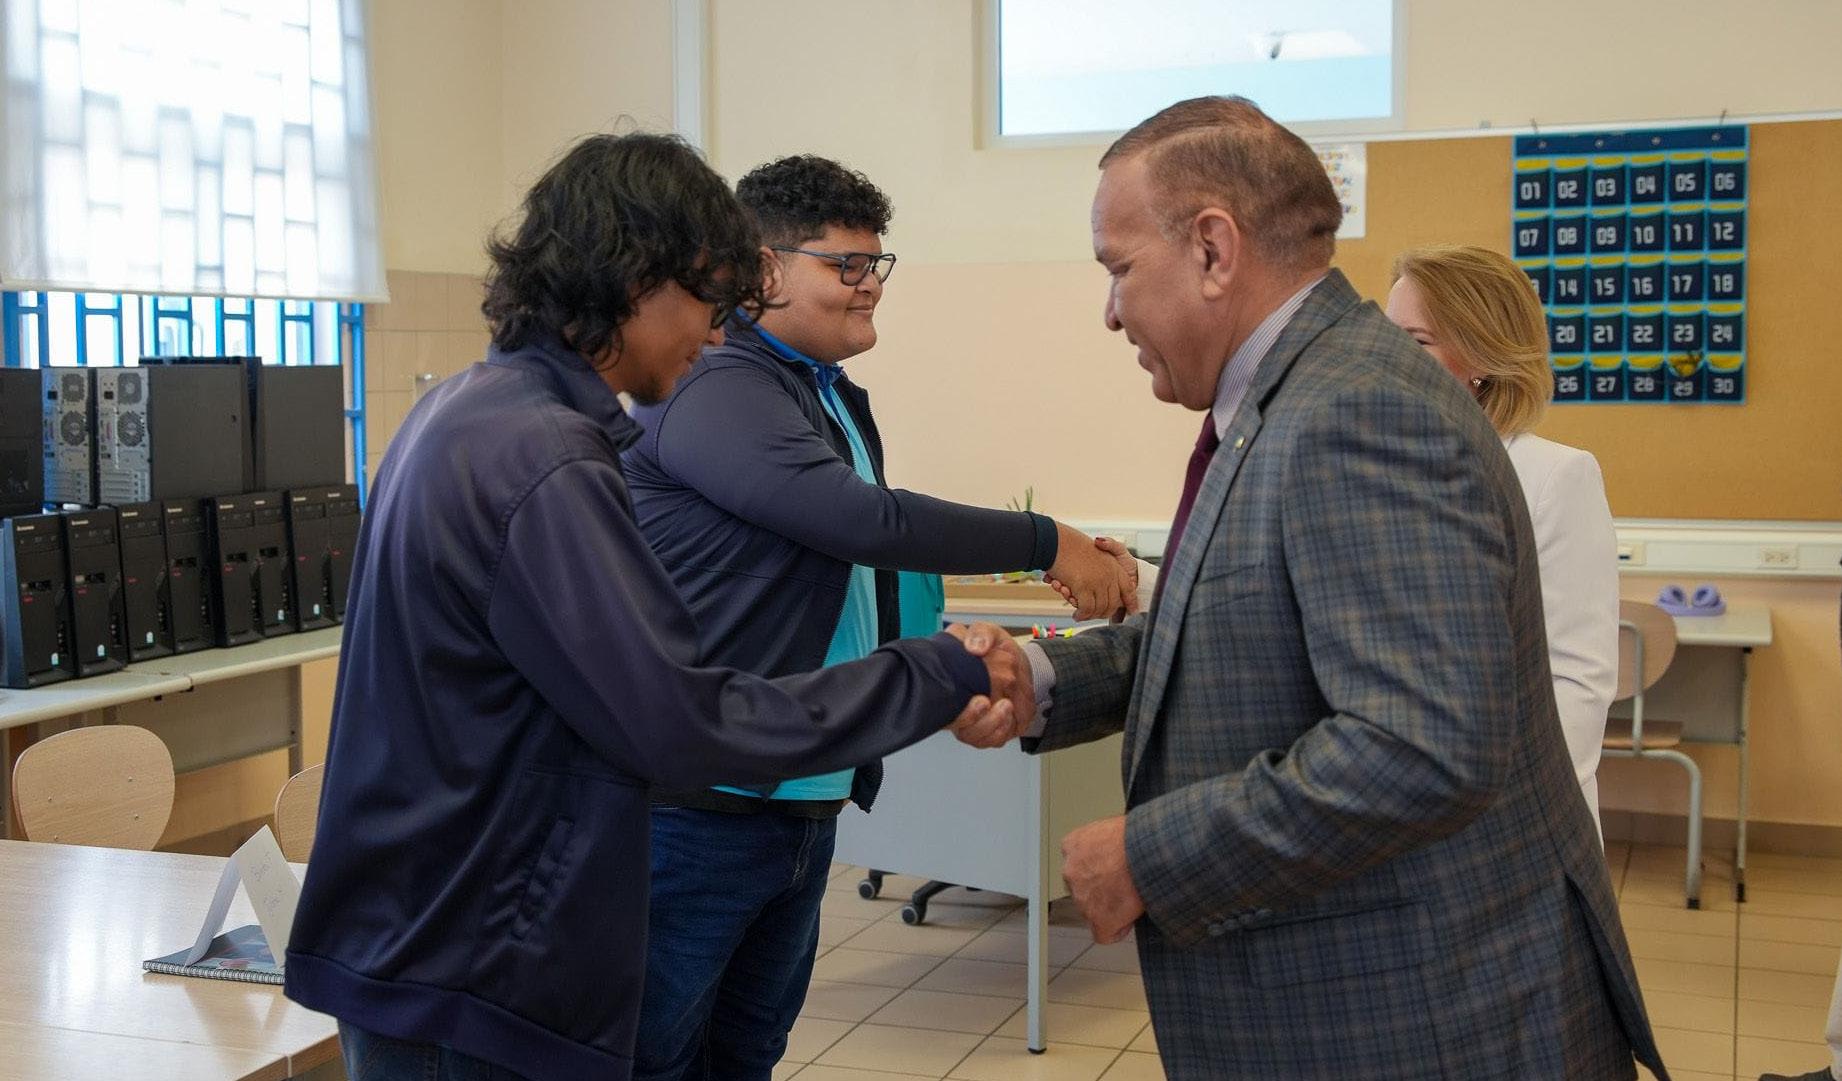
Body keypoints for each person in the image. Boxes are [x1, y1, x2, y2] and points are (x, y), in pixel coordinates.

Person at [282, 133, 1031, 1081]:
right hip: (466, 966)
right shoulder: (544, 456)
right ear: (638, 280)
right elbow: (681, 722)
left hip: (439, 936)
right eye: (710, 302)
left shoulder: (474, 408)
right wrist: (935, 672)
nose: (717, 336)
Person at [978, 95, 1670, 1079]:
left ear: (1213, 250)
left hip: (1420, 1018)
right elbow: (1225, 628)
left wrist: (1148, 855)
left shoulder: (1357, 410)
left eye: (1119, 269)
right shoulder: (1295, 396)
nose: (1111, 310)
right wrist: (1045, 679)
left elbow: (1421, 746)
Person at [618, 154, 1131, 1081]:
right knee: (653, 1058)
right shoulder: (717, 383)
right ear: (764, 269)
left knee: (743, 1053)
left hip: (797, 795)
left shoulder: (817, 391)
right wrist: (1045, 539)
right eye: (845, 265)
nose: (869, 286)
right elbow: (864, 521)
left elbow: (864, 569)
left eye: (876, 264)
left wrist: (946, 667)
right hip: (700, 806)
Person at [1386, 244, 1620, 837]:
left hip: (1515, 823)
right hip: (1397, 812)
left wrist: (1500, 814)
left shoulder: (1554, 476)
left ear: (1481, 357)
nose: (1386, 356)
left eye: (1416, 340)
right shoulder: (1380, 469)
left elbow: (1577, 682)